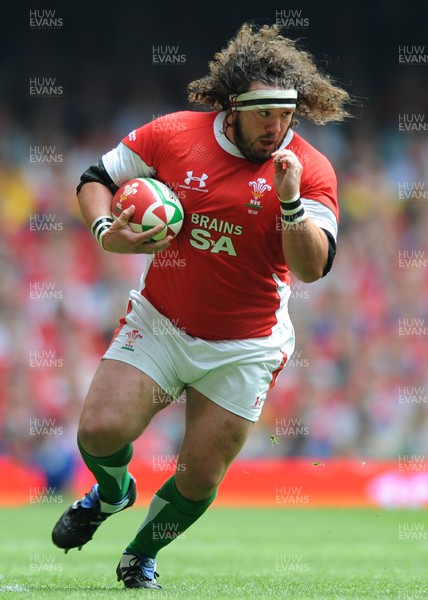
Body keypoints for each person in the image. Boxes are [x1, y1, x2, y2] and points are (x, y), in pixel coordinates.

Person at [52, 22, 351, 589]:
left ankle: (140, 555)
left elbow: (314, 268)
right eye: (265, 114)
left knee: (198, 478)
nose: (278, 127)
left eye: (287, 114)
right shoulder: (174, 135)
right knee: (99, 432)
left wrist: (289, 204)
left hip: (245, 345)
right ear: (232, 106)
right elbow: (96, 178)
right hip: (162, 321)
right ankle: (113, 495)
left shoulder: (309, 171)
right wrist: (103, 230)